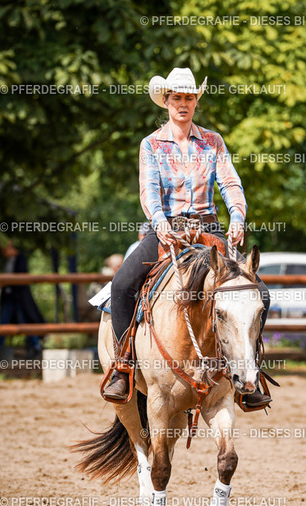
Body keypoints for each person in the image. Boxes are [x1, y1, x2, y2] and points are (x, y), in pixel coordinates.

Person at [104, 67, 270, 404]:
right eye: (177, 97)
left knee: (261, 294)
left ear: (196, 101)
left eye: (189, 98)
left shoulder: (213, 141)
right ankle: (123, 366)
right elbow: (149, 190)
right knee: (122, 285)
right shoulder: (151, 144)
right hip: (168, 229)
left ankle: (249, 372)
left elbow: (230, 184)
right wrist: (159, 221)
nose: (183, 103)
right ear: (166, 101)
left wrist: (238, 217)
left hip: (209, 230)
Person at [0, 241, 44, 357]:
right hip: (9, 297)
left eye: (4, 250)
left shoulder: (20, 259)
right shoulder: (9, 261)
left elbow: (19, 278)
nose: (3, 253)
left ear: (10, 247)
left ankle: (36, 346)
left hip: (20, 298)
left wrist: (3, 283)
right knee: (4, 322)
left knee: (24, 322)